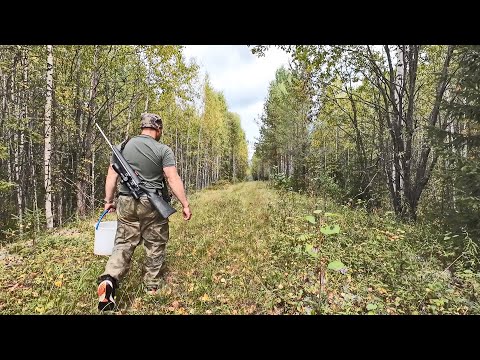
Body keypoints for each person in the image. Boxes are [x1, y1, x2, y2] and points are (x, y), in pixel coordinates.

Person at [97, 112, 192, 311]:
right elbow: (172, 179)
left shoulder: (122, 147)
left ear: (142, 127)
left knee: (123, 243)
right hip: (151, 203)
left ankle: (109, 280)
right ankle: (151, 287)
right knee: (155, 242)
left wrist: (108, 201)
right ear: (158, 129)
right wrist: (185, 204)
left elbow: (111, 177)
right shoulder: (163, 149)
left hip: (125, 202)